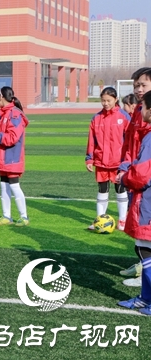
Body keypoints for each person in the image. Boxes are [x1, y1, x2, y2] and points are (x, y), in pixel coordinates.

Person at [116, 90, 151, 315]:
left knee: (145, 249)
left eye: (144, 107)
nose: (141, 111)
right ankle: (145, 299)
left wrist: (125, 176)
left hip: (147, 201)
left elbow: (142, 174)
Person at [85, 87, 130, 231]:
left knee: (120, 190)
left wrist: (127, 161)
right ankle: (100, 220)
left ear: (116, 100)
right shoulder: (96, 118)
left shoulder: (123, 117)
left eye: (108, 100)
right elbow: (91, 140)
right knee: (102, 190)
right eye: (103, 100)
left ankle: (122, 220)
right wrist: (89, 159)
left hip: (119, 163)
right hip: (101, 161)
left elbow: (129, 141)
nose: (105, 103)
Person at [0, 86, 30, 226]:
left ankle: (24, 216)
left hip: (11, 158)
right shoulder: (4, 114)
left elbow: (13, 137)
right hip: (3, 158)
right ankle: (6, 216)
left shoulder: (14, 114)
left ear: (2, 97)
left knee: (15, 186)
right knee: (4, 186)